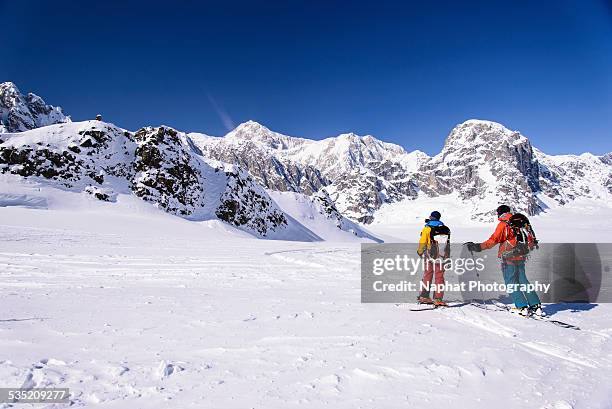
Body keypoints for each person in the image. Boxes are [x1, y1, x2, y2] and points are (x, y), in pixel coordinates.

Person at [466, 205, 544, 317]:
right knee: (523, 280)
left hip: (509, 256)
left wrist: (478, 247)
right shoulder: (520, 221)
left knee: (511, 282)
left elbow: (493, 240)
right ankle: (535, 305)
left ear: (500, 213)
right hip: (522, 255)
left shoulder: (504, 224)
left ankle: (521, 306)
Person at [416, 211, 451, 307]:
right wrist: (447, 257)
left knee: (428, 274)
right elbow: (447, 244)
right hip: (441, 255)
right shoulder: (445, 229)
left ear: (431, 217)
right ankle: (438, 299)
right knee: (439, 277)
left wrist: (419, 251)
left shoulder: (427, 228)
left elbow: (423, 242)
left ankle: (424, 296)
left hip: (429, 255)